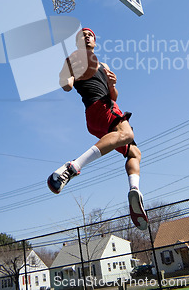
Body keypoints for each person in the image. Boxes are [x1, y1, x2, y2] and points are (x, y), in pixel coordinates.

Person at [47, 28, 148, 231]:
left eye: (90, 34)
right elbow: (66, 85)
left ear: (95, 40)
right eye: (82, 35)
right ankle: (73, 166)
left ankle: (134, 191)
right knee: (128, 134)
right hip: (98, 108)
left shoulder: (103, 65)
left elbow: (114, 95)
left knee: (135, 153)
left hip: (106, 111)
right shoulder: (74, 59)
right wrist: (65, 77)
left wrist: (112, 84)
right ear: (77, 42)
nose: (87, 36)